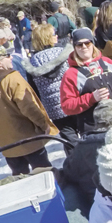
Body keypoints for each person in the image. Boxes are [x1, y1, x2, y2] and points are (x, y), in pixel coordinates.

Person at [0, 45, 57, 175]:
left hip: (8, 146)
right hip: (29, 139)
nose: (11, 57)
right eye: (7, 56)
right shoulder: (13, 78)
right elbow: (29, 107)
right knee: (45, 173)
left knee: (20, 178)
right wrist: (43, 124)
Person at [60, 28, 112, 133]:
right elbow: (67, 106)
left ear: (92, 44)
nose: (84, 47)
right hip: (96, 129)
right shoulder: (71, 74)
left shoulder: (108, 62)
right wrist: (91, 98)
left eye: (87, 43)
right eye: (79, 44)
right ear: (75, 47)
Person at [26, 23, 76, 152]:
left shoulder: (31, 63)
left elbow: (34, 89)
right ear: (47, 38)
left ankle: (76, 165)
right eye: (53, 34)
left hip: (53, 107)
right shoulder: (64, 53)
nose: (57, 36)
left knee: (68, 139)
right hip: (72, 100)